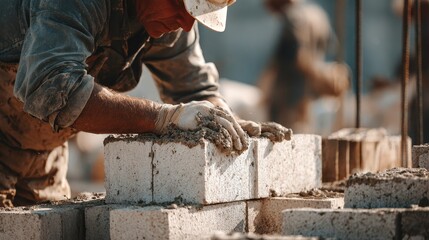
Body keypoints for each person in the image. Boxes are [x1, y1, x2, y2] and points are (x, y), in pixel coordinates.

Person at [0, 0, 291, 207]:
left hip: (41, 150)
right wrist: (164, 118)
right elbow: (51, 86)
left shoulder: (170, 18)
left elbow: (194, 87)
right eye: (181, 6)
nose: (187, 22)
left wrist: (223, 119)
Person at [259, 0, 350, 135]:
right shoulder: (318, 14)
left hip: (289, 99)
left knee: (284, 142)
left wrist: (265, 86)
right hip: (313, 98)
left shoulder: (292, 17)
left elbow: (297, 57)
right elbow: (330, 47)